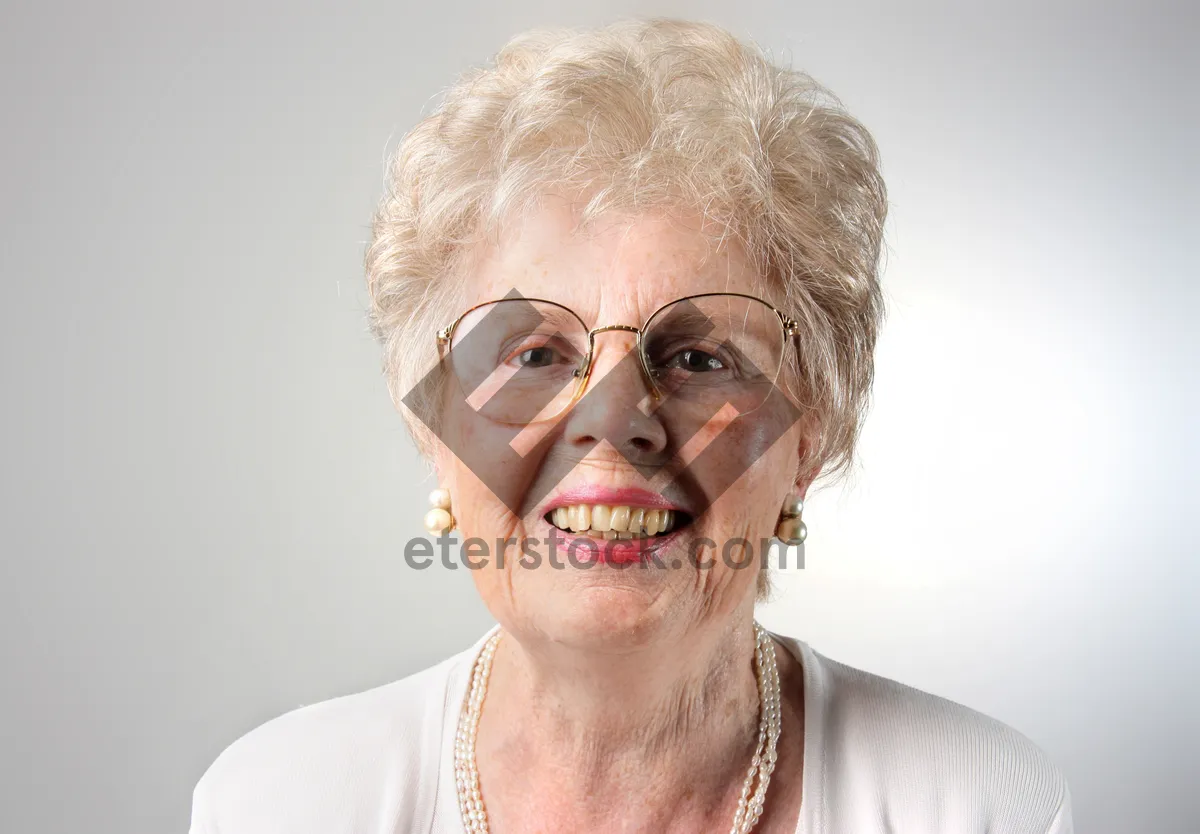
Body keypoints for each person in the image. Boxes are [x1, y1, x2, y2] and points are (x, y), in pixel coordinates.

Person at [189, 17, 1072, 834]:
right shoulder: (280, 801)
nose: (614, 427)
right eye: (533, 353)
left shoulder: (976, 803)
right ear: (438, 432)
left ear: (809, 436)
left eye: (697, 358)